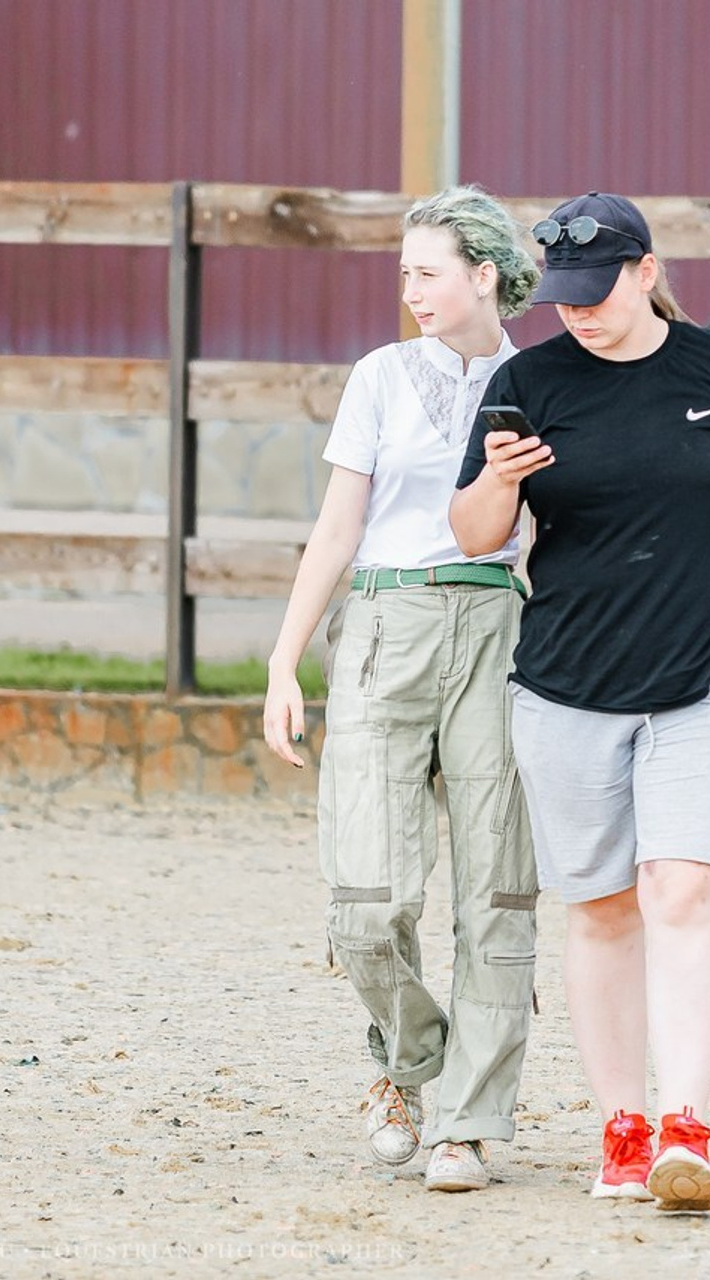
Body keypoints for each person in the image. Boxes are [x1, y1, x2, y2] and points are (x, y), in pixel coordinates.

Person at [263, 185, 540, 1193]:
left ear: (481, 274)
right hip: (382, 626)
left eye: (425, 272)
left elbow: (554, 529)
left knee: (496, 886)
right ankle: (408, 1058)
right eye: (402, 274)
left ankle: (467, 1120)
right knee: (366, 894)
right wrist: (282, 656)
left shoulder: (543, 378)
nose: (410, 290)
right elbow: (339, 526)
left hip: (499, 631)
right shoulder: (379, 375)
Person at [451, 191, 710, 1210]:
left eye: (596, 292)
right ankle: (622, 1123)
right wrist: (501, 480)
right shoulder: (527, 381)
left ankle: (687, 1124)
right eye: (562, 297)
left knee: (680, 890)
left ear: (645, 272)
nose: (578, 312)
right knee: (599, 908)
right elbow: (472, 533)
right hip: (564, 683)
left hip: (694, 682)